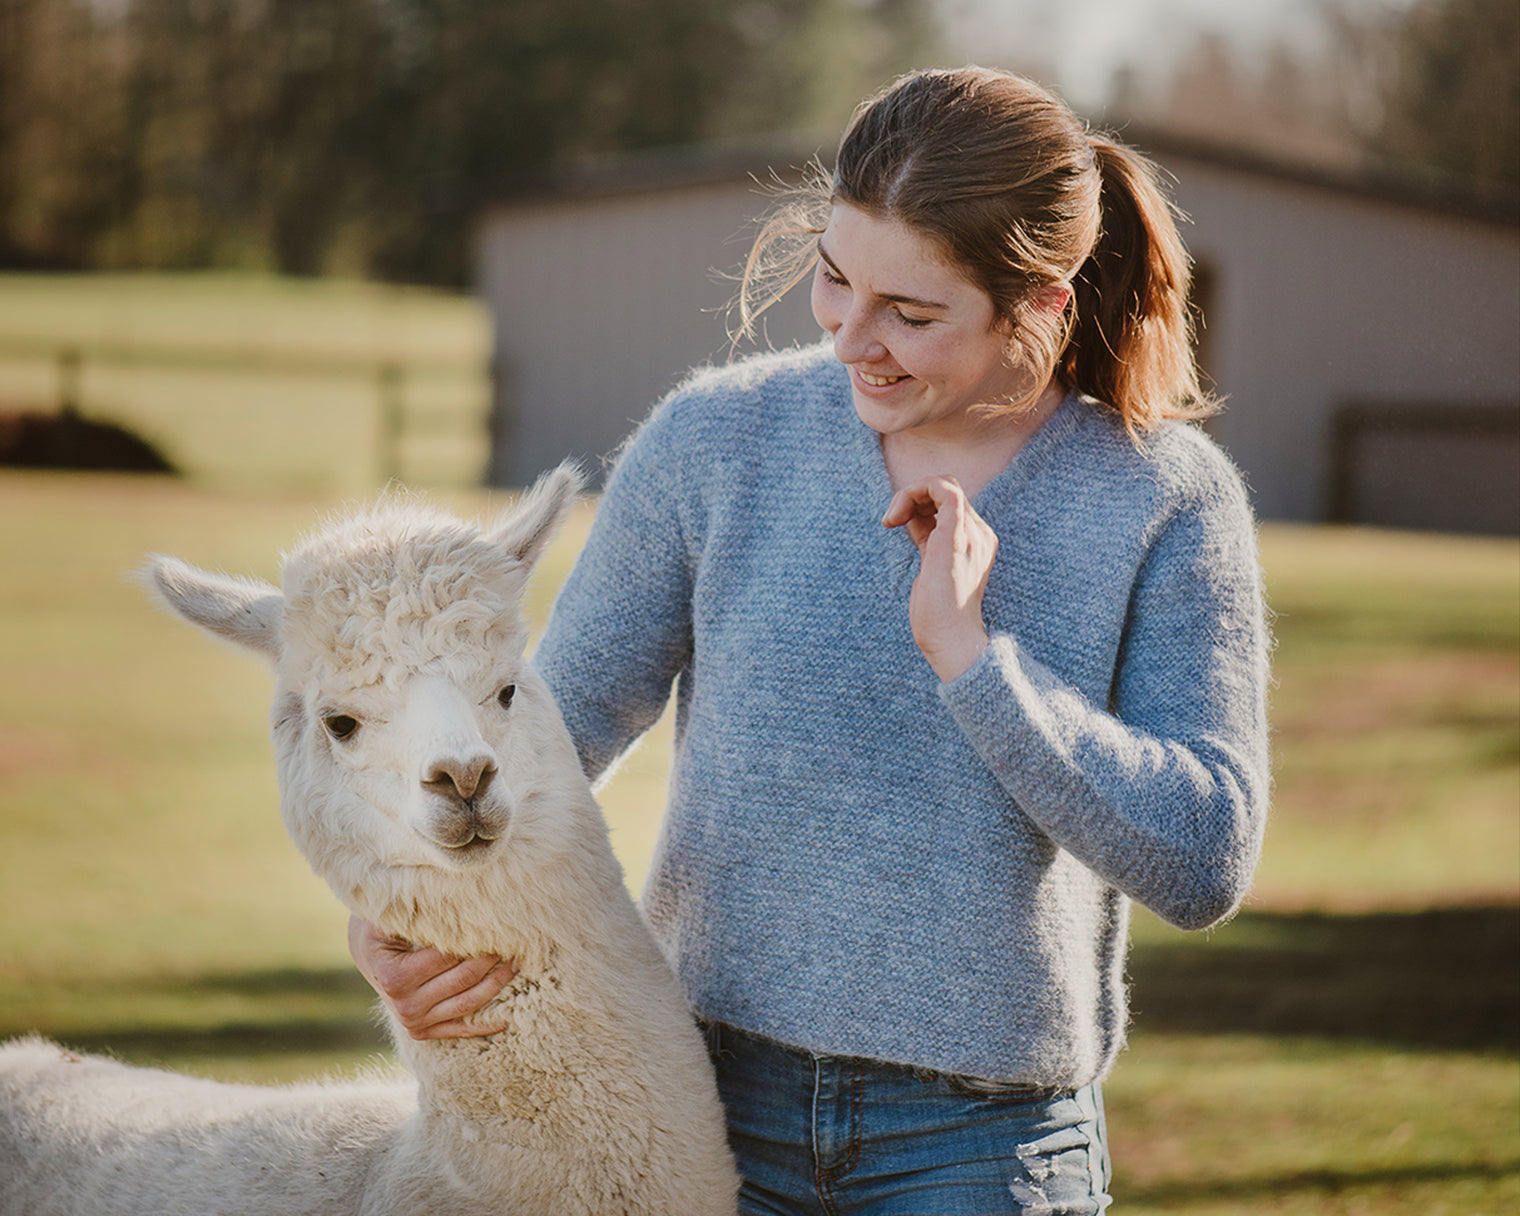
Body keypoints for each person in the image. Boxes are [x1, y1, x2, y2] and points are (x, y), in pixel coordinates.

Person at [350, 66, 1271, 1214]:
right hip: (693, 1109)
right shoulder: (716, 441)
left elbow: (1200, 858)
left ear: (1038, 304)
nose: (851, 341)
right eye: (834, 280)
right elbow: (548, 731)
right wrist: (401, 902)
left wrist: (975, 663)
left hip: (980, 1150)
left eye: (912, 313)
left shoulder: (1162, 501)